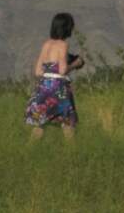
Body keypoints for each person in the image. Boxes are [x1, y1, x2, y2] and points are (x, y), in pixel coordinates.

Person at [24, 12, 85, 140]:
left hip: (43, 87)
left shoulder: (46, 44)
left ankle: (28, 153)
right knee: (67, 122)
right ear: (67, 28)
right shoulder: (63, 45)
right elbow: (63, 70)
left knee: (40, 123)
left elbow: (38, 72)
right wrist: (76, 63)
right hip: (58, 88)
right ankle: (73, 154)